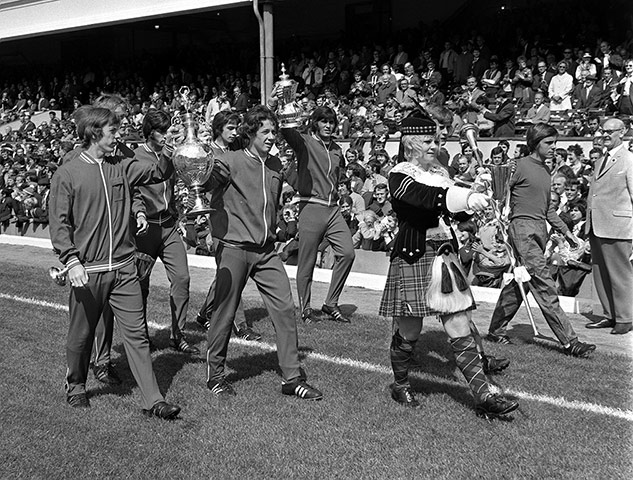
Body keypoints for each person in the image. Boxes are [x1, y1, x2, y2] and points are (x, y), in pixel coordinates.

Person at [379, 114, 518, 418]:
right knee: (410, 331)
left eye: (436, 140)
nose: (434, 145)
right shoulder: (399, 176)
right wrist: (464, 195)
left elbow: (453, 210)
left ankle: (484, 397)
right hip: (414, 255)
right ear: (410, 144)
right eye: (428, 141)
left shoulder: (441, 172)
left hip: (444, 256)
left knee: (458, 324)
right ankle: (400, 384)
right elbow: (427, 198)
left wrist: (477, 194)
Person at [49, 106, 181, 419]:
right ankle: (76, 385)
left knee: (136, 336)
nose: (118, 135)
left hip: (124, 267)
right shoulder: (67, 173)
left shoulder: (121, 164)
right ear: (94, 133)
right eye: (112, 131)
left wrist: (166, 151)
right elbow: (59, 223)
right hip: (89, 270)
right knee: (81, 335)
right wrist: (71, 260)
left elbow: (157, 173)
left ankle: (153, 400)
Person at [203, 105, 323, 400]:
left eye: (274, 132)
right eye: (265, 132)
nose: (272, 137)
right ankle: (215, 375)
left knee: (284, 309)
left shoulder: (275, 164)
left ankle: (292, 378)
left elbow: (295, 182)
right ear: (250, 134)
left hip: (267, 251)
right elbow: (205, 180)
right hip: (234, 248)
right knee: (224, 313)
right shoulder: (228, 160)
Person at [486, 123, 596, 357]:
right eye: (549, 143)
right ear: (535, 143)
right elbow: (498, 194)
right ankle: (570, 341)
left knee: (519, 284)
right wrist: (501, 219)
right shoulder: (519, 166)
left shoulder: (547, 172)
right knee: (544, 283)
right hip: (522, 229)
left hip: (539, 229)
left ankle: (495, 331)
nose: (554, 147)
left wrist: (567, 233)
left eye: (555, 143)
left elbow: (548, 211)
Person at [272, 95, 355, 324]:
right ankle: (306, 308)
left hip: (333, 209)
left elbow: (337, 178)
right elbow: (288, 133)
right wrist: (282, 105)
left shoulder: (338, 150)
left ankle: (330, 303)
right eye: (323, 121)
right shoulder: (305, 142)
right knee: (307, 261)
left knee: (348, 253)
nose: (328, 125)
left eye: (331, 122)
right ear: (315, 123)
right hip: (311, 206)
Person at [131, 110, 198, 354]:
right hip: (144, 229)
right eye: (162, 131)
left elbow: (175, 186)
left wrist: (185, 208)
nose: (166, 135)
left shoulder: (173, 154)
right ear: (150, 133)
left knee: (182, 279)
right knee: (141, 286)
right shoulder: (136, 157)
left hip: (168, 225)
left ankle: (177, 335)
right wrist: (138, 214)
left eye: (169, 130)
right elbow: (136, 192)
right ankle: (140, 336)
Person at [196, 111, 262, 341]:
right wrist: (205, 227)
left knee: (227, 271)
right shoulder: (208, 153)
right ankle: (241, 325)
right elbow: (200, 188)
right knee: (233, 272)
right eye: (230, 129)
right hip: (219, 217)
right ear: (218, 130)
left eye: (236, 128)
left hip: (237, 215)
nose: (235, 133)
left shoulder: (235, 151)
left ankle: (205, 312)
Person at [585, 118, 633, 334]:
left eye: (610, 131)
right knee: (600, 272)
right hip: (597, 224)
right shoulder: (601, 159)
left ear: (622, 132)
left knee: (619, 273)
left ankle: (625, 317)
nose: (604, 134)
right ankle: (609, 314)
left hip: (618, 226)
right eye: (602, 131)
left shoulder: (629, 160)